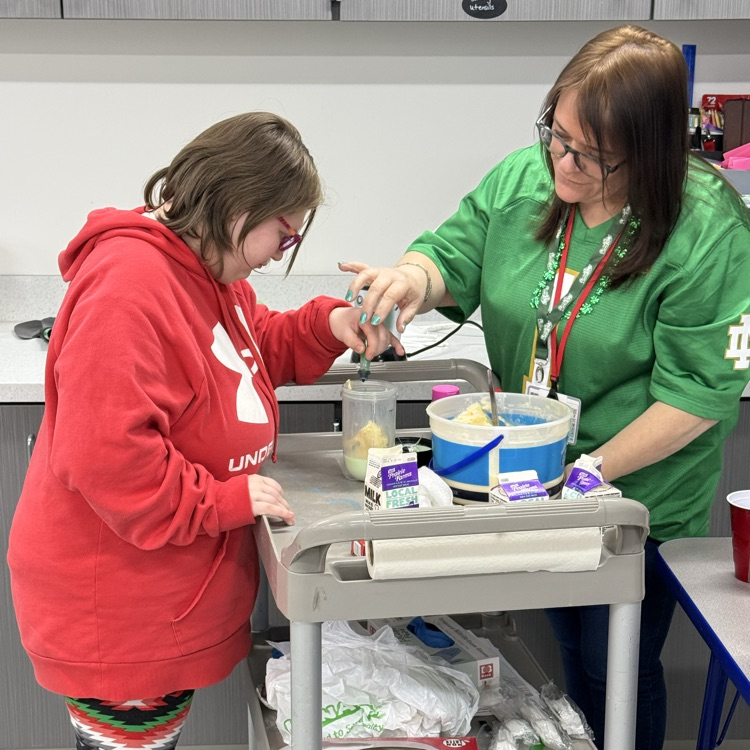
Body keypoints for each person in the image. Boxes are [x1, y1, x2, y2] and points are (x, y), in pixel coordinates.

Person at [340, 25, 750, 750]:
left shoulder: (707, 229)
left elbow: (697, 397)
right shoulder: (525, 180)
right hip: (533, 474)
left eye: (590, 155)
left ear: (648, 154)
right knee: (568, 644)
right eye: (555, 134)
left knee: (613, 656)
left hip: (633, 489)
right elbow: (452, 254)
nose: (562, 160)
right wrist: (410, 280)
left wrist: (582, 473)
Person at [8, 112, 401, 750]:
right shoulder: (129, 286)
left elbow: (246, 351)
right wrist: (221, 501)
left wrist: (328, 326)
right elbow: (109, 458)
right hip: (119, 612)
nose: (289, 241)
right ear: (238, 206)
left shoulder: (207, 274)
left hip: (161, 598)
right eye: (285, 225)